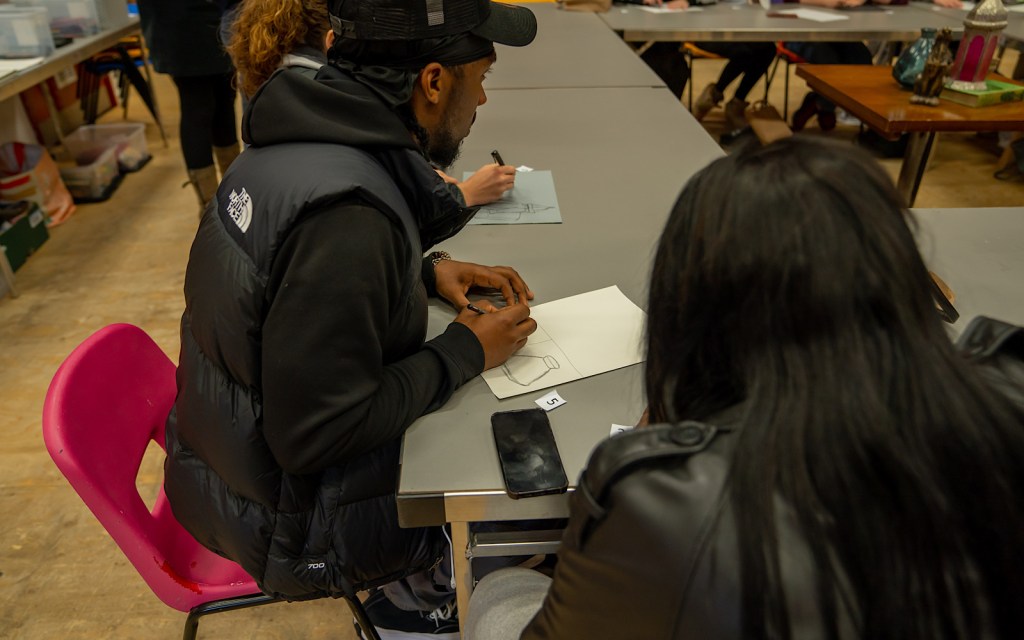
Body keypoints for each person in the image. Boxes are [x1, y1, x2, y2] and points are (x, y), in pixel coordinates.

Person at [465, 137, 1024, 639]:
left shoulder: (658, 490)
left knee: (500, 592)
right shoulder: (1007, 382)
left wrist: (658, 437)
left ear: (692, 309)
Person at [163, 0, 539, 638]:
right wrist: (463, 352)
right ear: (432, 80)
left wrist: (419, 274)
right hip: (298, 527)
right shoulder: (349, 220)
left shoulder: (305, 130)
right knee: (533, 503)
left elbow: (288, 292)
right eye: (481, 76)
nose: (481, 99)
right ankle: (419, 602)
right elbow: (320, 433)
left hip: (235, 474)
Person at [227, 0, 516, 206]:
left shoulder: (301, 113)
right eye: (481, 77)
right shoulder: (354, 204)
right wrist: (461, 196)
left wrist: (426, 274)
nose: (482, 98)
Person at [137, 0, 241, 209]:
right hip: (179, 25)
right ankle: (208, 205)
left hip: (220, 16)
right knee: (198, 106)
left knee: (225, 100)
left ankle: (235, 193)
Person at [691, 42, 777, 131]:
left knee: (768, 49)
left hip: (740, 37)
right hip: (708, 36)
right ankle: (713, 95)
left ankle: (737, 102)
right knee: (743, 52)